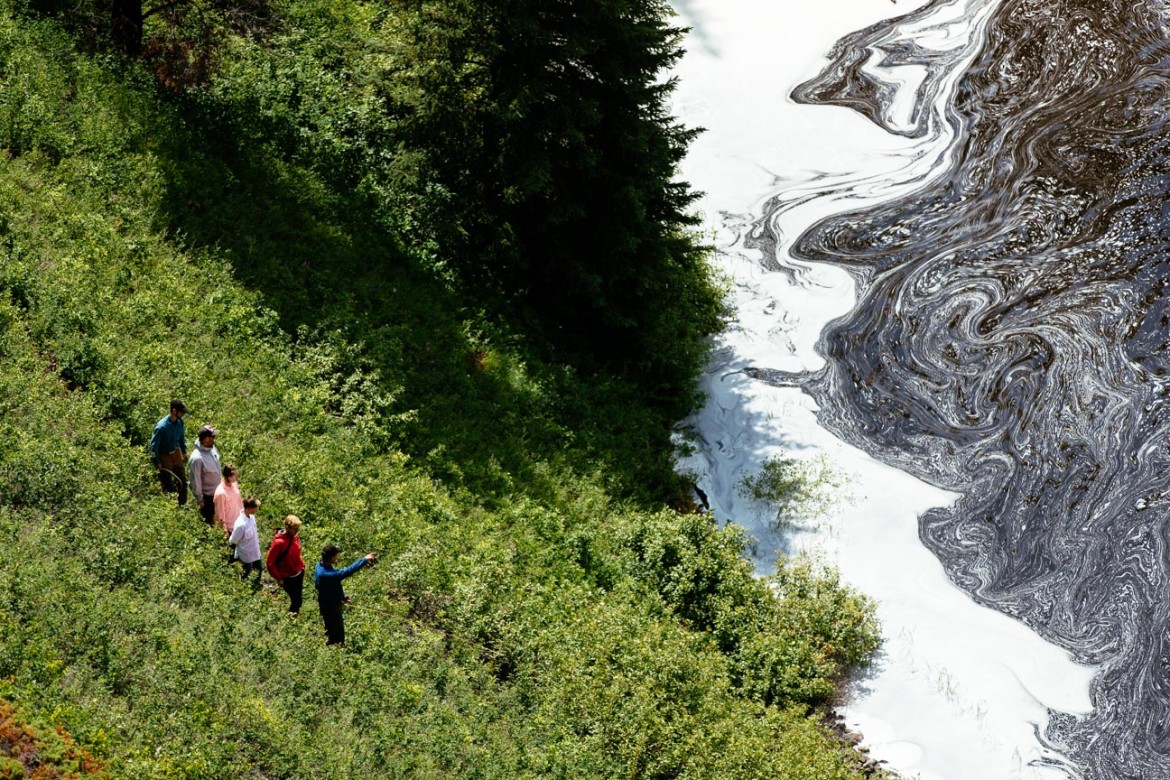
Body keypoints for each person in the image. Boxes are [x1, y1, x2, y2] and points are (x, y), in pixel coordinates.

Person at [314, 544, 377, 646]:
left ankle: (332, 645)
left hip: (326, 602)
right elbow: (347, 571)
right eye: (336, 555)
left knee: (330, 628)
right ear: (331, 558)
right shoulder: (326, 574)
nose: (337, 557)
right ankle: (336, 650)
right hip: (331, 607)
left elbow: (329, 585)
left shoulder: (319, 565)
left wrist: (341, 596)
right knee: (337, 632)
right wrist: (364, 559)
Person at [150, 400, 188, 505]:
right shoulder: (161, 427)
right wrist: (157, 462)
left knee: (183, 482)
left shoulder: (180, 422)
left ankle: (182, 505)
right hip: (164, 455)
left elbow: (181, 437)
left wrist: (184, 452)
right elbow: (154, 447)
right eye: (181, 412)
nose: (183, 414)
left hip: (176, 453)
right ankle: (170, 507)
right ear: (174, 411)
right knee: (168, 484)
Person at [267, 515, 306, 615]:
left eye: (298, 529)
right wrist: (279, 578)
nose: (297, 531)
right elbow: (270, 563)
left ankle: (294, 617)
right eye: (295, 529)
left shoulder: (295, 537)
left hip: (298, 572)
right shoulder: (279, 543)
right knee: (297, 600)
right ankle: (291, 620)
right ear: (287, 528)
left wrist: (302, 565)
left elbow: (297, 552)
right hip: (287, 577)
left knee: (298, 598)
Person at [188, 425, 222, 525]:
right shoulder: (197, 458)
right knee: (209, 524)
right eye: (213, 436)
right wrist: (200, 499)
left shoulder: (212, 448)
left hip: (218, 494)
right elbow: (196, 481)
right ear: (206, 439)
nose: (215, 439)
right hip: (207, 498)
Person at [228, 495, 263, 585]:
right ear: (249, 509)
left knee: (259, 569)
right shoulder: (241, 525)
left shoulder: (252, 517)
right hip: (245, 554)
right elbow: (233, 540)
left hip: (254, 550)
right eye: (256, 508)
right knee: (246, 573)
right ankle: (245, 589)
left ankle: (256, 585)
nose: (257, 510)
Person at [213, 465, 243, 534]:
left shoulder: (234, 484)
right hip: (230, 529)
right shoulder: (221, 493)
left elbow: (239, 501)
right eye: (235, 476)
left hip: (239, 524)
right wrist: (224, 531)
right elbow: (220, 515)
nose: (237, 477)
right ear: (229, 477)